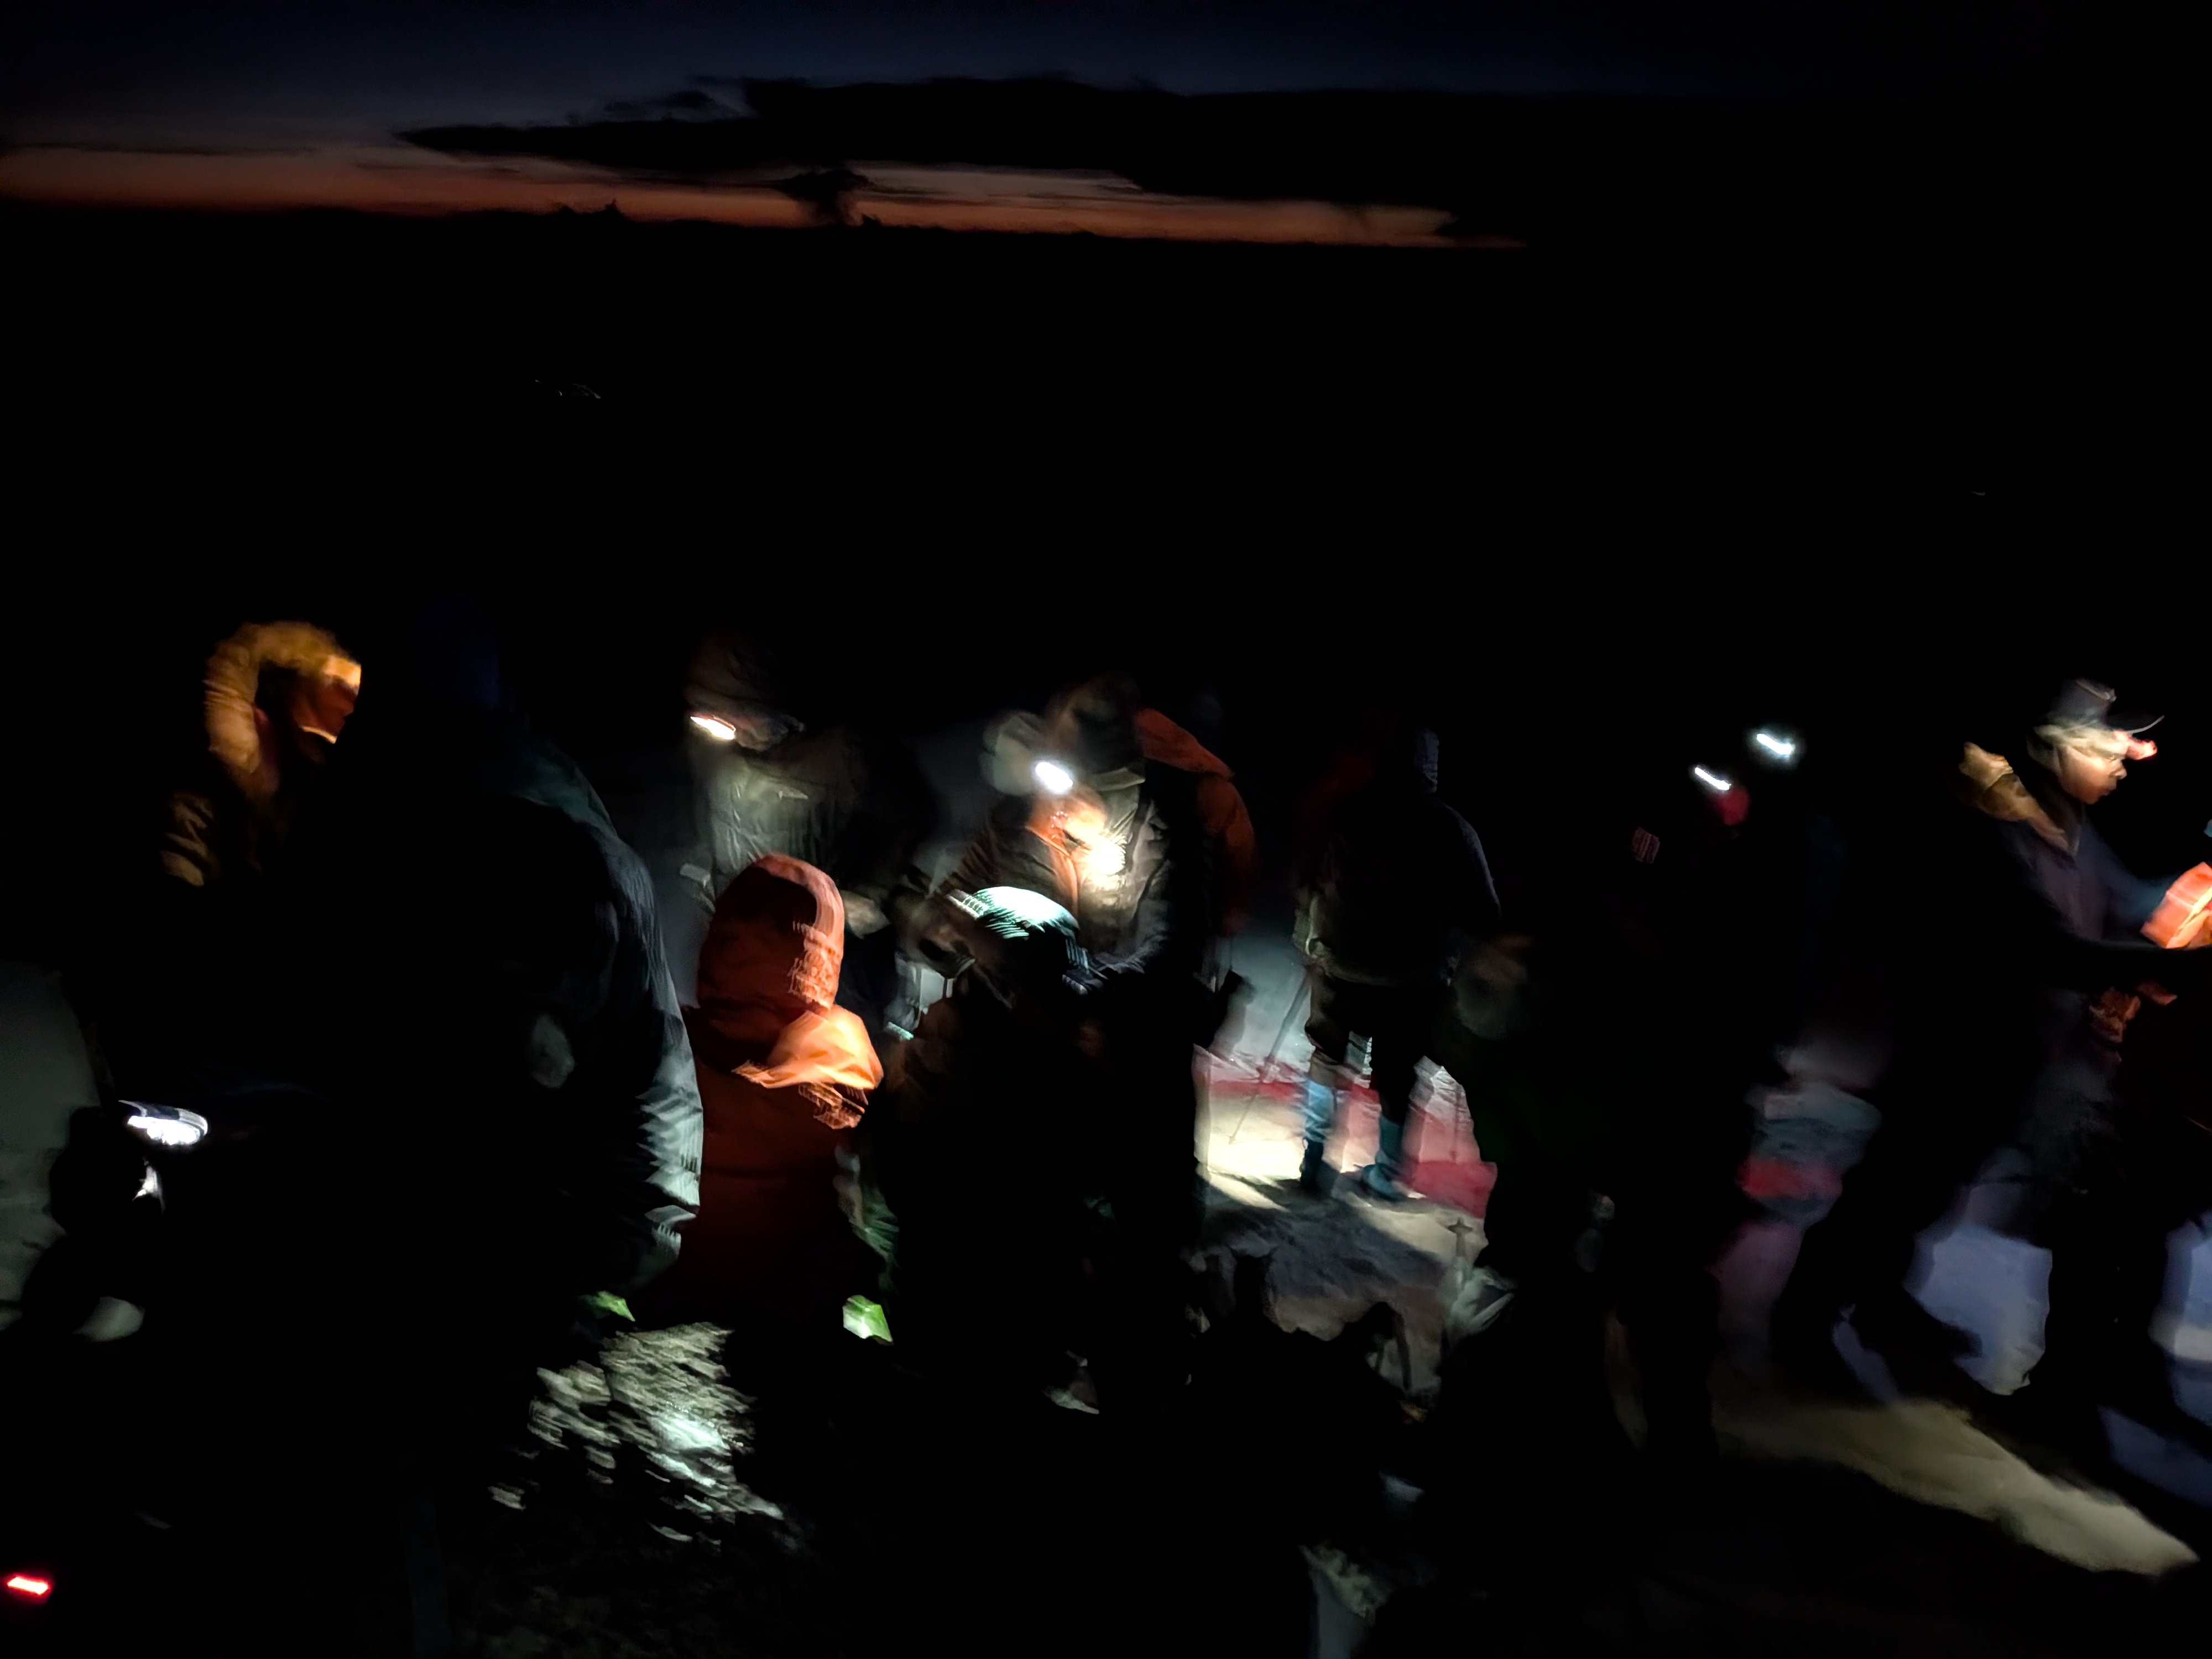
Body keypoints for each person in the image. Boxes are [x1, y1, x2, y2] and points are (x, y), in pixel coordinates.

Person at [286, 594, 703, 1444]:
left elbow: (289, 1034)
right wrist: (624, 1242)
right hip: (491, 1246)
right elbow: (645, 1060)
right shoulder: (578, 839)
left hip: (379, 1247)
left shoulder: (348, 833)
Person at [1772, 679, 2203, 1396]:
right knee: (1893, 1189)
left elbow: (2127, 903)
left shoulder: (2073, 831)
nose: (2124, 762)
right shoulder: (2000, 829)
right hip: (1955, 1048)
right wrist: (2181, 965)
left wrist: (2193, 890)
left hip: (2012, 1055)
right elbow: (2053, 950)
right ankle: (1800, 1319)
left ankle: (1881, 1301)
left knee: (1933, 1191)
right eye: (2108, 746)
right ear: (2056, 747)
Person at [919, 672, 1219, 1417]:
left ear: (1124, 779)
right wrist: (946, 924)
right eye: (1058, 779)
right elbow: (961, 891)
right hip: (1043, 1059)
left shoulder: (1166, 832)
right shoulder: (1017, 821)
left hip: (1137, 1060)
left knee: (1146, 1230)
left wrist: (1085, 994)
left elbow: (1169, 945)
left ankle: (1140, 1389)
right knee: (1044, 1215)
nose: (1065, 797)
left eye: (1087, 783)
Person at [634, 854, 884, 1335]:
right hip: (790, 1305)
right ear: (824, 954)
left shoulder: (663, 1046)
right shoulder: (845, 1060)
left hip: (670, 1290)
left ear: (718, 941)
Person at [673, 624, 940, 1047]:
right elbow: (714, 806)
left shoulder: (844, 755)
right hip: (753, 932)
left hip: (832, 939)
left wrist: (871, 890)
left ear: (777, 705)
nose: (732, 731)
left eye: (744, 718)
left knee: (841, 1040)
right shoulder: (714, 738)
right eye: (716, 719)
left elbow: (913, 816)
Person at [1291, 711, 1498, 1199]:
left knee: (1327, 1057)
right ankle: (1386, 1175)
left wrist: (1307, 939)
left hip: (1339, 967)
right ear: (1431, 766)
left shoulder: (1342, 813)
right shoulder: (1451, 828)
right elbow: (1485, 912)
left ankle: (1314, 1163)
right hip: (1414, 980)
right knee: (1398, 1074)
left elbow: (1307, 879)